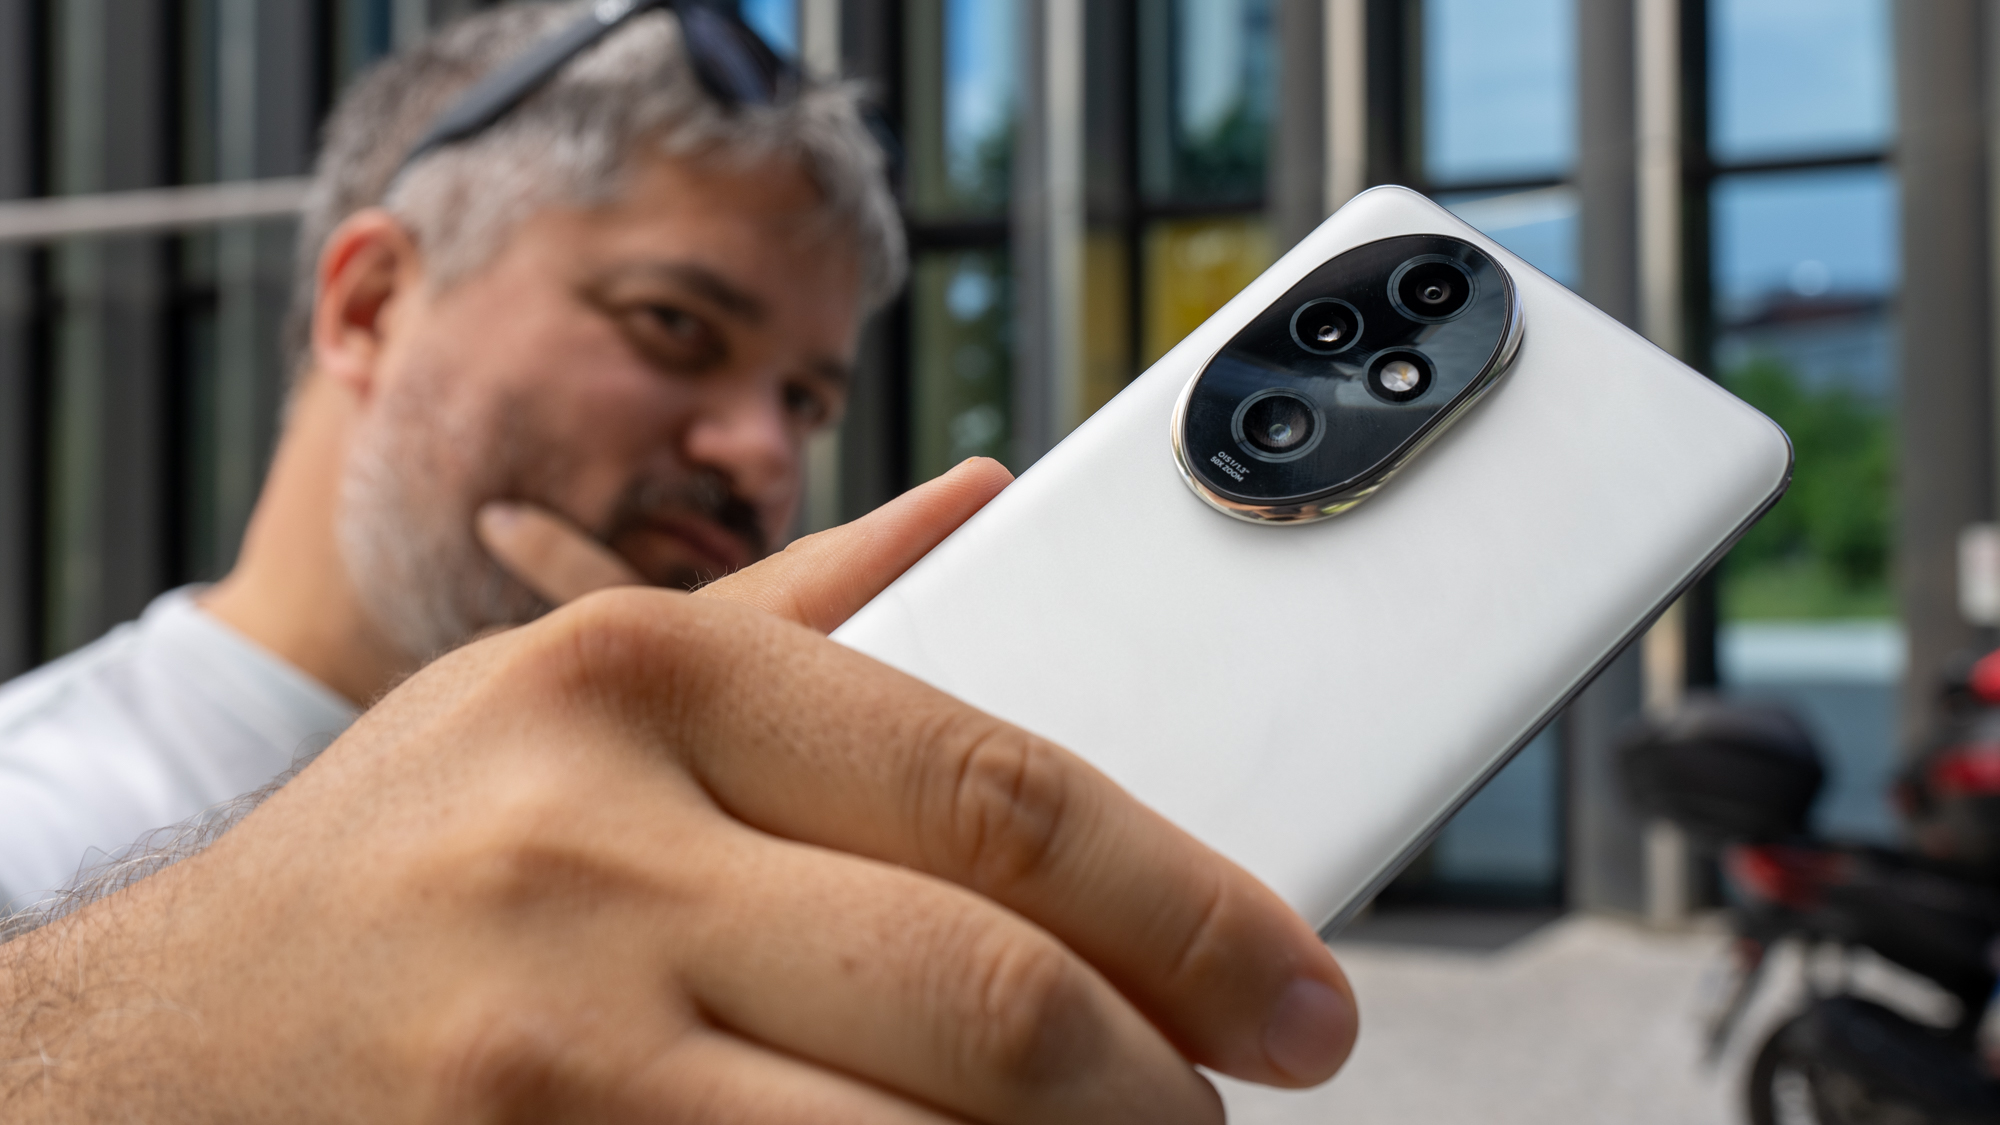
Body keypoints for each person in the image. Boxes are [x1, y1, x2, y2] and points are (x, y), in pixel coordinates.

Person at [0, 1, 910, 910]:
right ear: (372, 307)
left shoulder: (749, 848)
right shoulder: (33, 837)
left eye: (805, 401)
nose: (764, 454)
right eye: (674, 325)